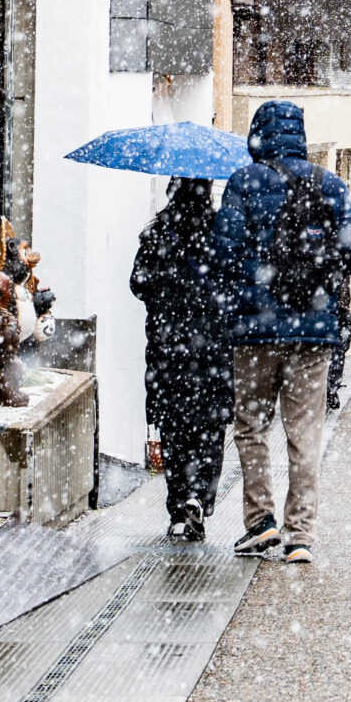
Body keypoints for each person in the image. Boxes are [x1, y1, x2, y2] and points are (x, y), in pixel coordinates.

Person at [214, 101, 351, 565]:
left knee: (251, 427)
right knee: (305, 433)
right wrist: (320, 272)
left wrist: (254, 284)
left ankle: (261, 523)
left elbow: (223, 256)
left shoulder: (243, 183)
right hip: (313, 331)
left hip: (254, 333)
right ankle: (301, 534)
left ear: (258, 135)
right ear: (300, 135)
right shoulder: (330, 184)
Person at [129, 178, 232, 543]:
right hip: (212, 354)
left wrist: (167, 294)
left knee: (175, 429)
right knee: (209, 430)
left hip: (168, 350)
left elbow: (138, 284)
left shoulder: (156, 235)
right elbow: (235, 288)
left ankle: (177, 507)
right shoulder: (222, 236)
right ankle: (200, 497)